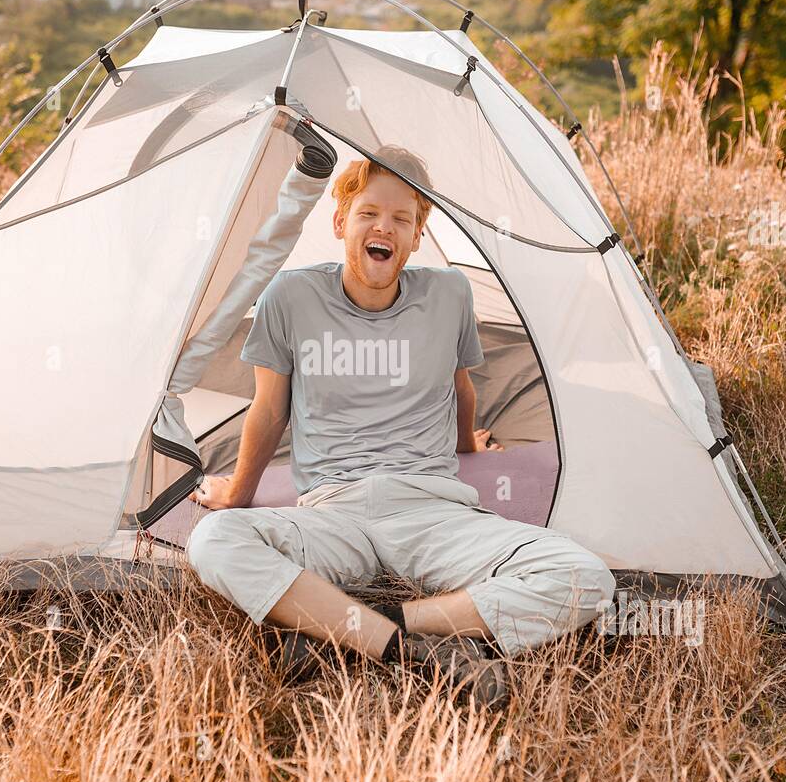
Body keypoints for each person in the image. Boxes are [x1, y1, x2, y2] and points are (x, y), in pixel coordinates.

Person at [186, 145, 615, 709]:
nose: (383, 226)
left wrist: (471, 446)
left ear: (416, 237)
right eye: (368, 213)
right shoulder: (289, 296)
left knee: (584, 576)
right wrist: (237, 494)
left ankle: (365, 633)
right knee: (214, 540)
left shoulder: (449, 293)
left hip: (433, 511)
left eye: (401, 218)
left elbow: (460, 386)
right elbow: (269, 411)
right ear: (341, 223)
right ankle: (414, 650)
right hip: (334, 512)